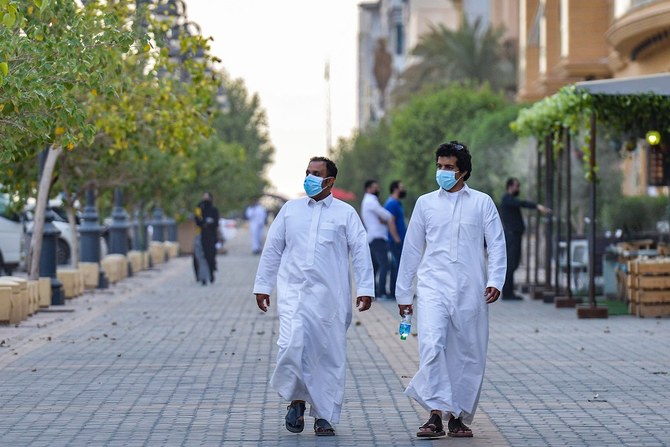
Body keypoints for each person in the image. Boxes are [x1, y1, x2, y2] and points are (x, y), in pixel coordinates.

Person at [253, 156, 374, 437]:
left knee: (327, 355)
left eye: (316, 173)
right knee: (291, 345)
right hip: (294, 294)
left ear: (330, 180)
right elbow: (272, 249)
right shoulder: (290, 210)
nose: (309, 177)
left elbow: (360, 252)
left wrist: (366, 289)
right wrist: (263, 285)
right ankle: (296, 400)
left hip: (331, 298)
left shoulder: (346, 214)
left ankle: (324, 416)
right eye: (307, 172)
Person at [395, 141, 506, 439]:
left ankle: (457, 416)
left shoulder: (482, 203)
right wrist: (403, 295)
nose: (442, 172)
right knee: (432, 345)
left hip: (471, 289)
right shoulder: (425, 203)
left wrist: (495, 280)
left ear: (464, 172)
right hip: (433, 287)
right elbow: (411, 250)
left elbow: (496, 243)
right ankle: (434, 415)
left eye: (449, 167)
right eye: (440, 166)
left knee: (468, 353)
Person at [500, 177, 551, 300]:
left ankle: (508, 291)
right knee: (511, 264)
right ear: (510, 186)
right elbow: (521, 203)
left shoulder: (510, 200)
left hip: (515, 236)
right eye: (517, 186)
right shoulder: (507, 199)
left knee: (513, 264)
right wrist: (537, 206)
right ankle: (507, 293)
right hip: (511, 236)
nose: (518, 189)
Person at [361, 179, 401, 299]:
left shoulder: (367, 201)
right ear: (369, 189)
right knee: (385, 265)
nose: (377, 189)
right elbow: (386, 215)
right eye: (375, 187)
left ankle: (373, 291)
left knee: (375, 266)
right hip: (378, 237)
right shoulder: (371, 201)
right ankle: (381, 292)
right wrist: (388, 218)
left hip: (373, 237)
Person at [384, 180, 407, 299]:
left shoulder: (397, 203)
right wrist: (396, 238)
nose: (403, 190)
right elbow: (390, 221)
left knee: (400, 266)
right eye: (401, 187)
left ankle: (399, 291)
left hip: (400, 240)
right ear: (395, 189)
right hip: (395, 241)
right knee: (396, 266)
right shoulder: (391, 203)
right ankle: (394, 292)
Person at [194, 192, 220, 285]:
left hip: (211, 237)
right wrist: (205, 222)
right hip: (201, 235)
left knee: (210, 256)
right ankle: (202, 277)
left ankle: (211, 273)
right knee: (200, 257)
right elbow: (197, 220)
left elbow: (216, 223)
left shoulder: (214, 210)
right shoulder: (199, 208)